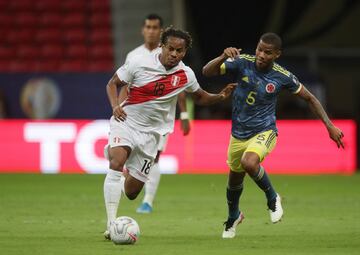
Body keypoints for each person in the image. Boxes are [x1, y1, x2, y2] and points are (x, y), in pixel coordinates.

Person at [202, 32, 344, 239]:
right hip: (238, 133)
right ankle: (234, 217)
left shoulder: (282, 76)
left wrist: (329, 126)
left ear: (277, 54)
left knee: (249, 163)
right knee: (234, 180)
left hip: (264, 131)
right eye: (260, 49)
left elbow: (310, 98)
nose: (261, 55)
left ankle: (272, 197)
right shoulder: (242, 62)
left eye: (268, 52)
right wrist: (223, 57)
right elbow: (207, 72)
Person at [103, 26, 237, 240]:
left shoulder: (185, 75)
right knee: (117, 162)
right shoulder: (139, 62)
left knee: (131, 193)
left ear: (184, 52)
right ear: (162, 46)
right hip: (126, 122)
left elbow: (200, 97)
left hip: (152, 136)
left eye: (180, 51)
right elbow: (113, 83)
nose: (174, 54)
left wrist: (220, 96)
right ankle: (111, 225)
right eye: (171, 49)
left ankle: (120, 170)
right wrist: (115, 106)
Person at [104, 14, 191, 215]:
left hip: (160, 121)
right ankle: (120, 159)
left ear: (160, 32)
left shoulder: (174, 59)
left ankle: (148, 201)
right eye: (148, 27)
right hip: (135, 117)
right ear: (143, 30)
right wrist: (121, 107)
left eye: (155, 28)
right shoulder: (135, 56)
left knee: (156, 158)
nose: (151, 31)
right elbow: (125, 83)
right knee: (120, 160)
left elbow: (180, 87)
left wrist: (184, 115)